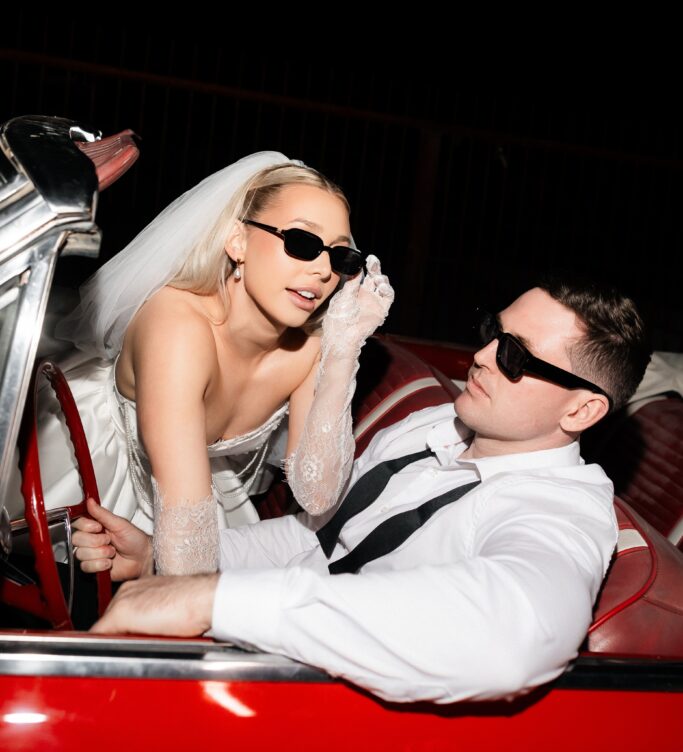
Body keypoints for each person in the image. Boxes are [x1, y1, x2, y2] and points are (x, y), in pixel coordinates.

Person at [82, 279, 650, 705]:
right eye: (492, 333)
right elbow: (316, 539)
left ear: (582, 409)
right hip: (263, 663)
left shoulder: (561, 509)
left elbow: (512, 638)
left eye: (516, 356)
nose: (481, 356)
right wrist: (161, 554)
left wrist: (212, 600)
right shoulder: (433, 426)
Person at [7, 151, 393, 577]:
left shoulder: (313, 348)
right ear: (238, 242)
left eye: (340, 258)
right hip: (90, 467)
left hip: (199, 490)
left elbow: (317, 495)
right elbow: (187, 547)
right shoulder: (177, 325)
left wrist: (343, 353)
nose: (323, 271)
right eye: (301, 243)